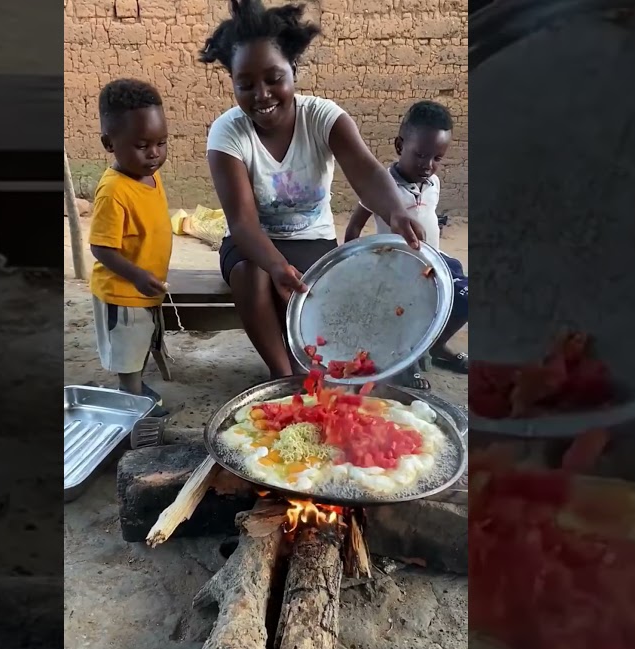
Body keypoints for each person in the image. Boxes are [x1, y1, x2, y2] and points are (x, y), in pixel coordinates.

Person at [199, 0, 428, 380]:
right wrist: (274, 265)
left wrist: (395, 209)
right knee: (251, 273)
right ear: (233, 83)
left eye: (274, 78)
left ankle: (307, 369)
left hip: (312, 240)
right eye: (246, 84)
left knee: (310, 301)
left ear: (294, 70)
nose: (262, 94)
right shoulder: (228, 132)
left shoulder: (323, 117)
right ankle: (283, 376)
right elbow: (241, 222)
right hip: (252, 243)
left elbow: (367, 173)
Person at [344, 100, 469, 391]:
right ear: (400, 146)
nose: (428, 164)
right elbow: (353, 227)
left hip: (431, 262)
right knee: (407, 309)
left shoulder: (433, 183)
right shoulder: (381, 185)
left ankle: (435, 345)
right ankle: (406, 360)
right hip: (396, 267)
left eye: (437, 157)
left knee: (465, 294)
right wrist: (356, 267)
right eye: (420, 155)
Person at [88, 79, 173, 416]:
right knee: (127, 349)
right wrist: (136, 274)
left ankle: (135, 388)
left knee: (141, 342)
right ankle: (131, 401)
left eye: (162, 143)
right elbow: (100, 248)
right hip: (122, 290)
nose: (154, 153)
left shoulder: (149, 175)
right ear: (109, 143)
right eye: (142, 145)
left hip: (144, 285)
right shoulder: (114, 192)